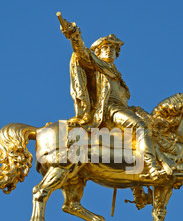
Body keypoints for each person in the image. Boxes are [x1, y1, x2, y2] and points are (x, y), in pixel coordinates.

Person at [60, 20, 171, 180]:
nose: (111, 51)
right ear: (97, 51)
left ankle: (138, 182)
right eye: (106, 47)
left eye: (114, 48)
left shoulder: (115, 73)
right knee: (141, 126)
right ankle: (152, 166)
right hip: (109, 110)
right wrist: (74, 36)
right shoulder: (95, 65)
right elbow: (81, 52)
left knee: (152, 130)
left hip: (122, 109)